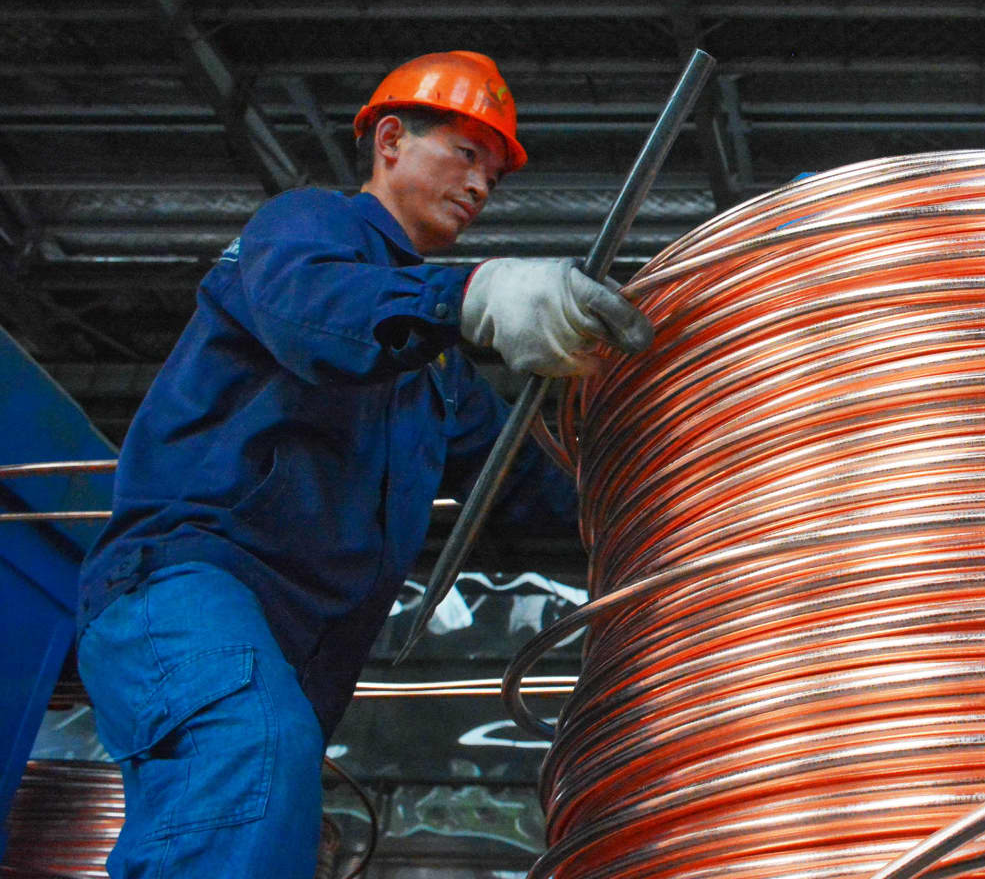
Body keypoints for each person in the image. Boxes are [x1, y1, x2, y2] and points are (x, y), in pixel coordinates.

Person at [72, 51, 655, 877]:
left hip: (301, 652)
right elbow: (316, 312)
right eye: (466, 154)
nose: (480, 186)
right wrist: (469, 295)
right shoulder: (307, 228)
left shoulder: (439, 374)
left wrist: (676, 492)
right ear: (389, 140)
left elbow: (531, 486)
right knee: (250, 753)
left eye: (493, 176)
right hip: (184, 588)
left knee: (262, 815)